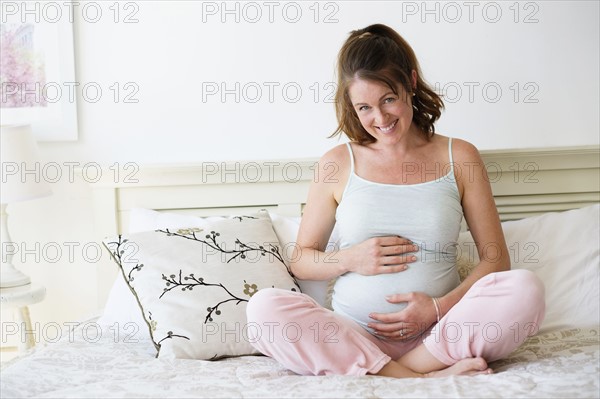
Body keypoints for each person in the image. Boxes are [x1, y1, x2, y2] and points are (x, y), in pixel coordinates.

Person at [246, 23, 545, 378]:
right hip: (354, 335)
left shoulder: (459, 156)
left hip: (440, 333)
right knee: (265, 309)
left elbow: (495, 260)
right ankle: (421, 378)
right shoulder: (337, 163)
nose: (380, 118)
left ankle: (398, 373)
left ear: (411, 83)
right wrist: (350, 259)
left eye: (388, 99)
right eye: (364, 107)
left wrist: (436, 308)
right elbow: (301, 260)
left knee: (525, 289)